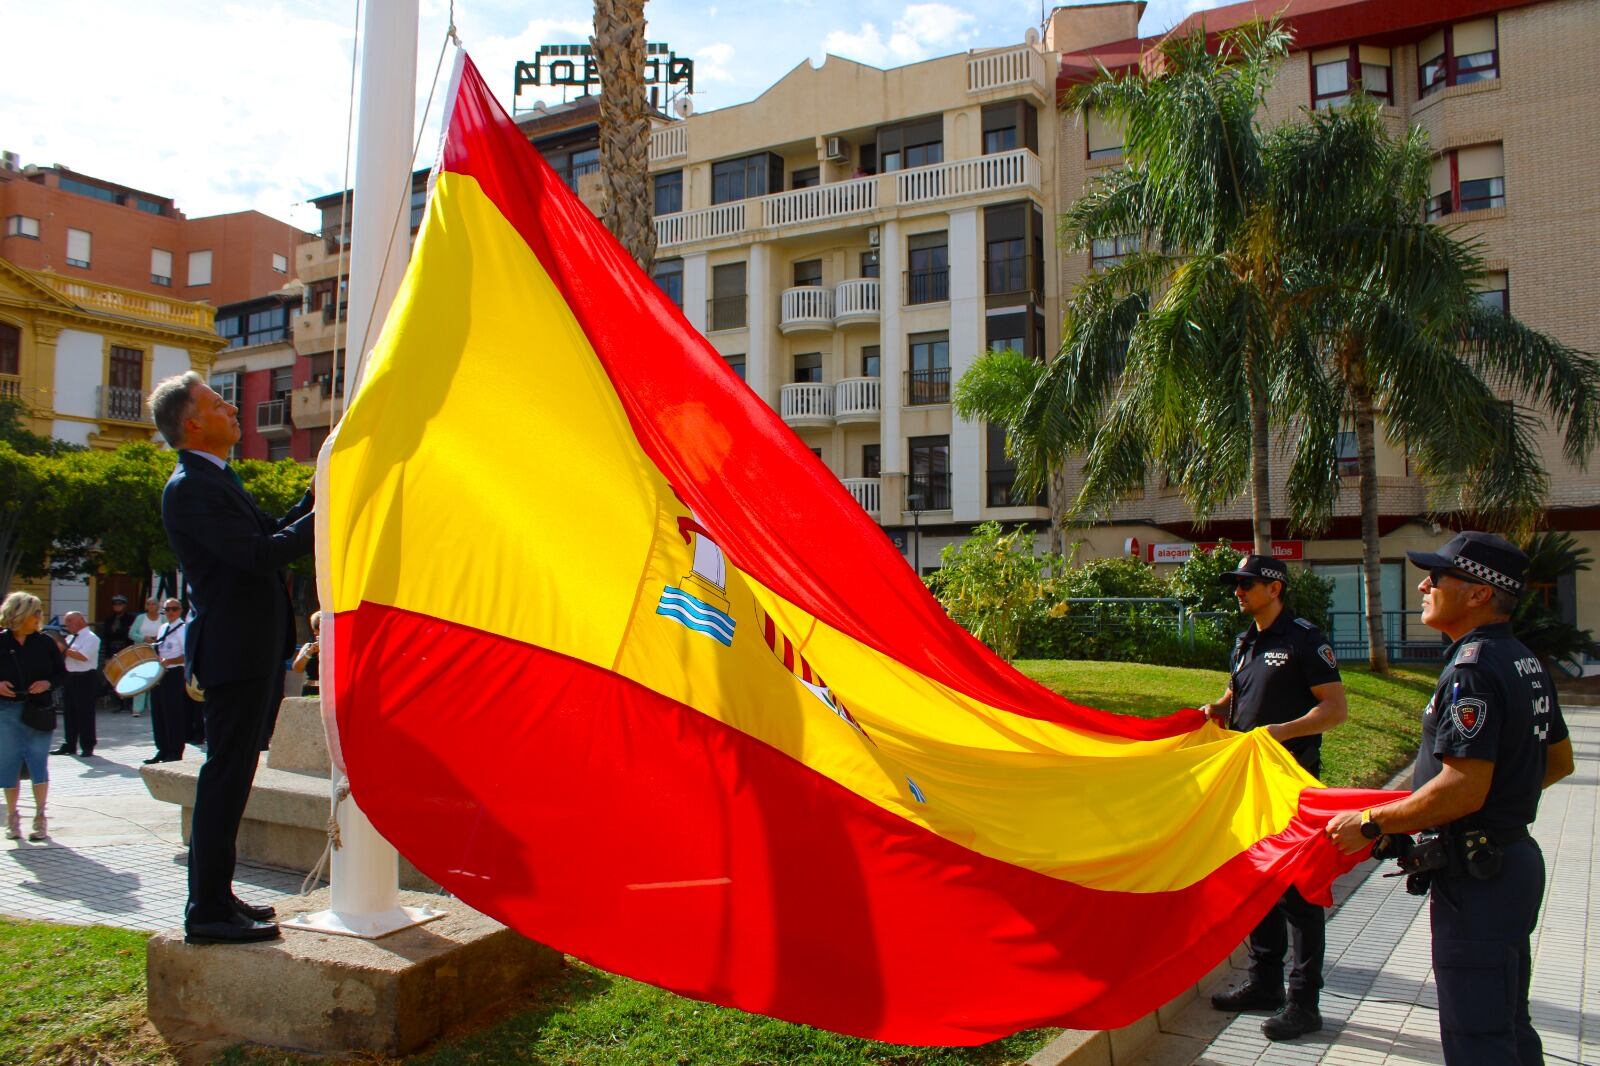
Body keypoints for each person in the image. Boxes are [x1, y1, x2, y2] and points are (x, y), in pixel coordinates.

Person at [1329, 532, 1574, 1064]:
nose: (1423, 584)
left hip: (1479, 877)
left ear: (1478, 593)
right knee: (1507, 1024)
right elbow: (1558, 762)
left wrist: (1373, 821)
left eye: (1436, 576)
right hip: (1507, 862)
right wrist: (1495, 804)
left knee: (1478, 1041)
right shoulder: (1523, 659)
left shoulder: (1473, 670)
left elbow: (1462, 787)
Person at [148, 371, 314, 945]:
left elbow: (269, 530)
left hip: (249, 651)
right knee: (224, 778)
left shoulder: (216, 477)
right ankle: (207, 911)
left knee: (235, 775)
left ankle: (219, 897)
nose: (233, 409)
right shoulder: (190, 486)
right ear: (192, 423)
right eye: (220, 404)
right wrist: (329, 514)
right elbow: (258, 554)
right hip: (234, 653)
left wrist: (316, 496)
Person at [1200, 553, 1348, 1041]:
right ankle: (1265, 982)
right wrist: (1218, 708)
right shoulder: (1245, 641)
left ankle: (1304, 1002)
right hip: (1250, 780)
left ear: (1275, 588)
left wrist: (1278, 733)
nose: (1238, 591)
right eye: (1236, 584)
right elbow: (1237, 693)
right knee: (1257, 882)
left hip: (1292, 780)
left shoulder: (1305, 639)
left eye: (1247, 583)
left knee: (1298, 892)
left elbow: (1334, 710)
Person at [1, 593, 66, 841]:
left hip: (39, 711)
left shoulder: (45, 643)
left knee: (38, 762)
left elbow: (62, 675)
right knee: (9, 764)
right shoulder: (1, 642)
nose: (40, 617)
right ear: (20, 614)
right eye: (36, 612)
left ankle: (40, 817)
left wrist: (47, 683)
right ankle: (12, 817)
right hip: (6, 711)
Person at [146, 599, 192, 765]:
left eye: (174, 609)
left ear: (180, 610)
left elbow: (187, 655)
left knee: (173, 713)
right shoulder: (163, 628)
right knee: (158, 712)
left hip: (174, 673)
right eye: (167, 609)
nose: (170, 612)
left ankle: (175, 751)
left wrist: (169, 661)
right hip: (161, 673)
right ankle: (162, 749)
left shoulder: (184, 629)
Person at [55, 611, 101, 758]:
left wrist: (65, 650)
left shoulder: (92, 638)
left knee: (85, 713)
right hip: (70, 676)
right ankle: (70, 744)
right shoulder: (69, 637)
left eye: (69, 621)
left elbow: (83, 656)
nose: (67, 624)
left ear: (81, 621)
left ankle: (87, 746)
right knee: (69, 712)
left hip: (85, 677)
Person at [127, 597, 162, 717]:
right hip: (142, 651)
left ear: (158, 606)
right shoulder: (140, 618)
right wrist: (143, 638)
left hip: (158, 652)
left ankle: (153, 706)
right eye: (149, 604)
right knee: (140, 677)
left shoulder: (163, 618)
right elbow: (131, 633)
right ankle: (137, 708)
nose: (151, 606)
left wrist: (158, 638)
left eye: (154, 604)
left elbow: (168, 631)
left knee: (156, 678)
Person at [99, 594, 134, 712]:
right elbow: (106, 636)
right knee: (115, 677)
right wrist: (106, 656)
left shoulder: (130, 619)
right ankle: (118, 703)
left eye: (120, 604)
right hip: (112, 650)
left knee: (128, 676)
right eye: (115, 604)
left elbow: (127, 635)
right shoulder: (109, 619)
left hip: (125, 649)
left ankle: (128, 703)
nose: (117, 606)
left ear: (124, 605)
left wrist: (118, 632)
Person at [292, 612, 322, 697]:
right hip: (311, 691)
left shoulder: (337, 647)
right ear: (315, 631)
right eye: (317, 626)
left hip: (331, 691)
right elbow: (296, 669)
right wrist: (309, 653)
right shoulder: (309, 647)